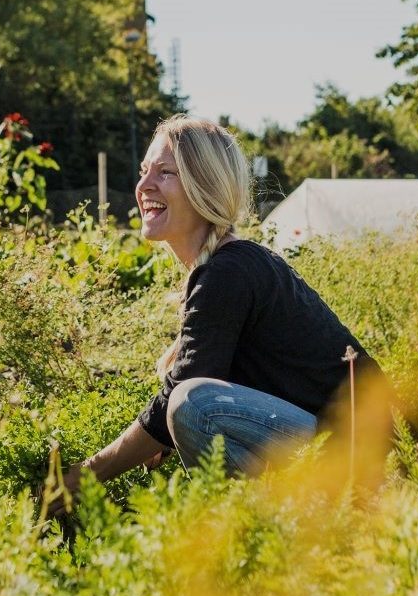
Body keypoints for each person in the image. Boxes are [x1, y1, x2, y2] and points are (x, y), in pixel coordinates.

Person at [55, 116, 379, 501]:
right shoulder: (225, 267)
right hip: (330, 447)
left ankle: (293, 525)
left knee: (194, 405)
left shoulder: (229, 272)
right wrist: (158, 433)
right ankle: (280, 528)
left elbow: (181, 395)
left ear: (203, 186)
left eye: (165, 172)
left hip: (361, 457)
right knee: (188, 404)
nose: (143, 187)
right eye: (144, 172)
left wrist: (82, 479)